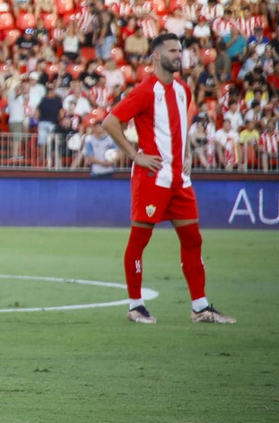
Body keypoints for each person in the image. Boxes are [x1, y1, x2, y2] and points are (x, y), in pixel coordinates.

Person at [101, 34, 236, 325]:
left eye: (180, 50)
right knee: (139, 240)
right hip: (152, 177)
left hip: (180, 180)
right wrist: (135, 155)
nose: (178, 55)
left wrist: (186, 151)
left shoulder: (183, 90)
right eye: (172, 51)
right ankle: (135, 305)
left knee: (193, 239)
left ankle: (200, 308)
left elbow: (181, 125)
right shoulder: (145, 91)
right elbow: (110, 122)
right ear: (155, 56)